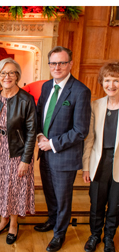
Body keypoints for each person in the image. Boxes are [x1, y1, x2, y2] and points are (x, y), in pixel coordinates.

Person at [34, 46, 91, 252]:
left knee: (63, 197)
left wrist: (52, 144)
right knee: (49, 192)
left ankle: (60, 234)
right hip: (45, 151)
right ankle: (52, 220)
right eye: (53, 63)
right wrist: (40, 135)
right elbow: (40, 113)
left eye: (61, 63)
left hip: (64, 155)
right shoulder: (47, 86)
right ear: (49, 65)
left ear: (70, 64)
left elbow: (80, 130)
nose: (57, 67)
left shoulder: (80, 91)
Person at [0, 58, 37, 245]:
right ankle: (3, 220)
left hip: (17, 150)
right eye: (2, 73)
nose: (6, 76)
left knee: (15, 188)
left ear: (17, 76)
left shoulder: (26, 99)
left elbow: (32, 131)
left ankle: (13, 224)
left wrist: (26, 159)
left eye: (11, 73)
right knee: (1, 186)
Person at [82, 62, 119, 252]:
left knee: (115, 205)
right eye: (107, 80)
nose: (111, 85)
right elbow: (89, 139)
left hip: (118, 164)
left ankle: (109, 238)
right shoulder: (96, 105)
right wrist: (86, 166)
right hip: (99, 161)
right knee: (96, 202)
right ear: (102, 82)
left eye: (116, 80)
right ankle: (95, 235)